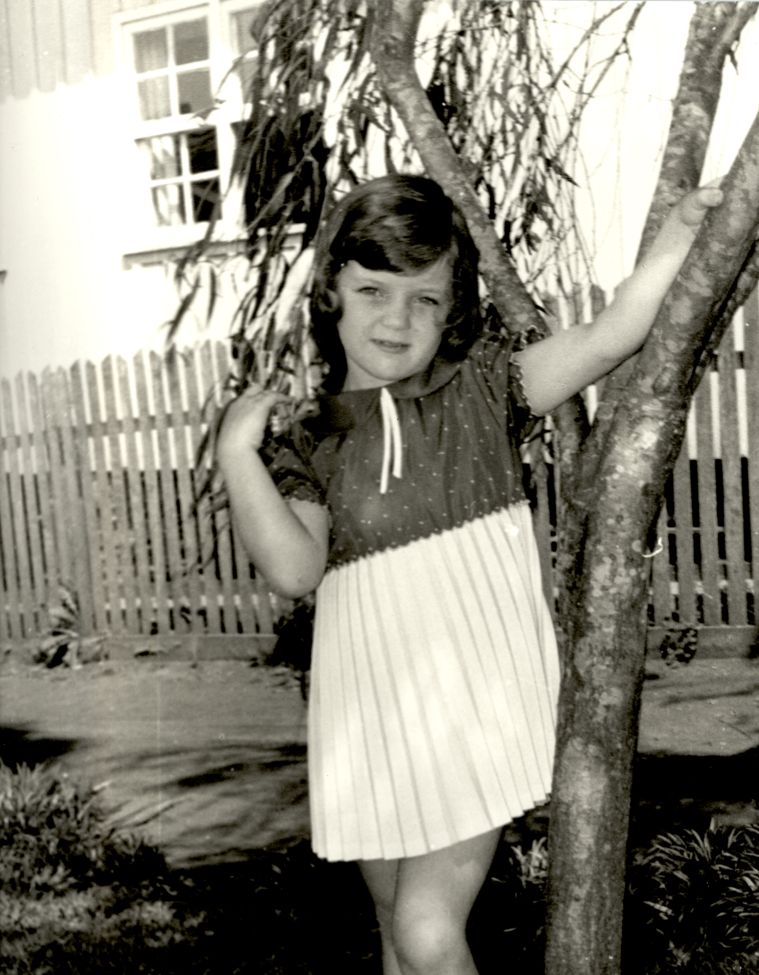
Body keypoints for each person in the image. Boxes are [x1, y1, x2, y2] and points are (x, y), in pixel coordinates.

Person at [216, 174, 722, 975]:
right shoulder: (313, 437)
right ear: (331, 294)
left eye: (424, 298)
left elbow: (613, 331)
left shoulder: (487, 392)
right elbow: (292, 567)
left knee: (425, 930)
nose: (396, 317)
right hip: (373, 720)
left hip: (473, 704)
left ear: (452, 307)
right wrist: (236, 456)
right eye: (373, 289)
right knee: (394, 932)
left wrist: (679, 236)